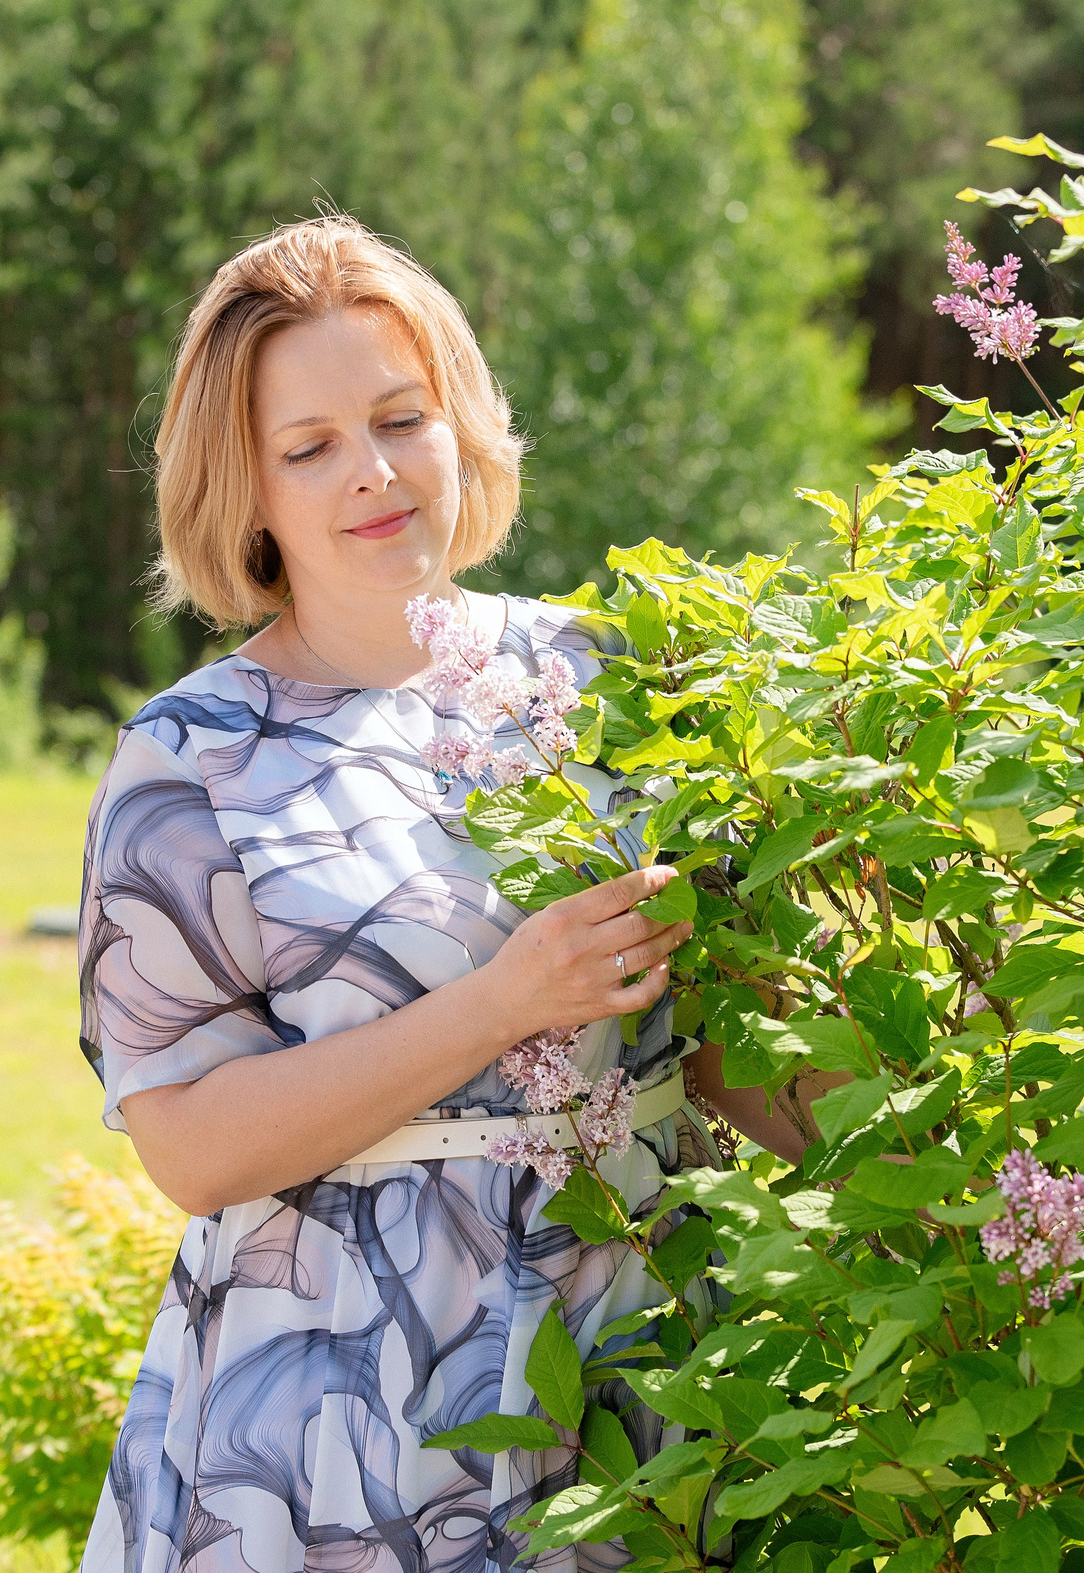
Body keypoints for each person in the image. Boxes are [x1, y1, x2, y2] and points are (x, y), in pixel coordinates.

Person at [75, 214, 804, 1573]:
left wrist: (955, 1199)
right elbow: (193, 1146)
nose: (374, 473)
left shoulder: (608, 674)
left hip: (642, 1364)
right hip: (350, 1409)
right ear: (251, 496)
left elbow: (720, 1051)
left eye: (402, 418)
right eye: (311, 448)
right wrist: (499, 1005)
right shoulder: (189, 763)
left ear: (460, 424)